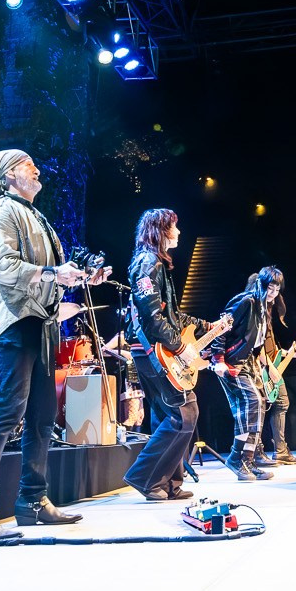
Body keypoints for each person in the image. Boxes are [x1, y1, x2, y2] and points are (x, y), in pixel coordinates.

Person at [0, 149, 90, 541]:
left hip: (39, 322)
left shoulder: (31, 213)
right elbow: (2, 267)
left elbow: (46, 274)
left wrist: (75, 276)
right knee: (7, 409)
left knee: (42, 415)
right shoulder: (1, 210)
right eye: (28, 165)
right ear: (10, 175)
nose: (37, 169)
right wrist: (52, 273)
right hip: (13, 320)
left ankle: (33, 500)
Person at [122, 208, 211, 501]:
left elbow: (170, 314)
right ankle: (144, 476)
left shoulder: (155, 262)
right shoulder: (148, 263)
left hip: (152, 350)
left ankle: (169, 484)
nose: (179, 232)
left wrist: (204, 326)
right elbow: (151, 316)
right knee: (185, 412)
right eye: (174, 226)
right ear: (160, 231)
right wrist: (179, 346)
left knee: (166, 415)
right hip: (152, 351)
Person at [209, 267, 284, 480]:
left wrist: (266, 366)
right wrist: (218, 360)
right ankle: (235, 457)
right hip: (230, 362)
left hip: (247, 362)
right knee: (252, 400)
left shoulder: (263, 308)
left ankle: (248, 460)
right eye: (270, 288)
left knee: (259, 403)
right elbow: (220, 328)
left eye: (277, 290)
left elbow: (256, 342)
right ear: (261, 284)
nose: (273, 294)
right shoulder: (246, 302)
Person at [261, 289, 296, 464]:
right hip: (261, 368)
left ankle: (280, 450)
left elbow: (269, 344)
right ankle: (256, 452)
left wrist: (286, 353)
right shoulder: (257, 312)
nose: (274, 297)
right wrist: (270, 368)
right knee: (258, 408)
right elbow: (257, 347)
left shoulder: (267, 314)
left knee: (282, 402)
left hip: (270, 365)